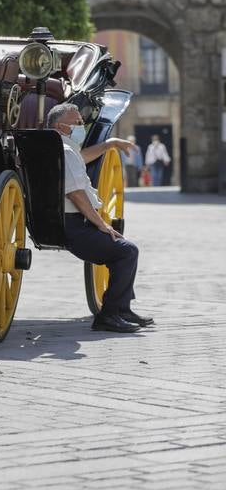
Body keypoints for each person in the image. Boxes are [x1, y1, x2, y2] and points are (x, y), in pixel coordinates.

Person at [47, 102, 154, 333]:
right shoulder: (65, 152)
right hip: (75, 227)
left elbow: (81, 158)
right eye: (76, 123)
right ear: (60, 126)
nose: (81, 126)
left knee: (125, 251)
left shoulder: (62, 149)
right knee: (127, 252)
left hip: (67, 223)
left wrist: (111, 143)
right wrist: (102, 223)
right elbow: (75, 194)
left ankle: (121, 309)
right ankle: (108, 315)